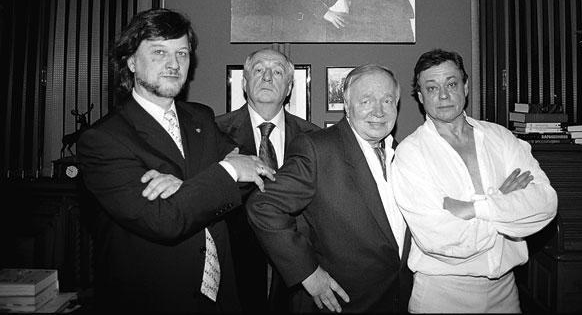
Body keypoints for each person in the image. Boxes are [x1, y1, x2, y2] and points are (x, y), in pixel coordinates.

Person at [76, 8, 275, 313]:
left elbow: (252, 175)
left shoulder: (201, 118)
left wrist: (186, 188)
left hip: (221, 298)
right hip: (151, 300)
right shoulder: (103, 140)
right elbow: (164, 220)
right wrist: (227, 170)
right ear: (131, 61)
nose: (174, 64)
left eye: (182, 53)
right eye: (159, 52)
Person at [391, 49, 558, 313]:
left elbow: (545, 204)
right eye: (432, 88)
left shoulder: (501, 138)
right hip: (442, 295)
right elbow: (439, 239)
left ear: (466, 87)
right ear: (421, 97)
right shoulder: (410, 154)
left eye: (451, 84)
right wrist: (504, 203)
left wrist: (474, 208)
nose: (443, 95)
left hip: (506, 292)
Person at [247, 64, 413, 313]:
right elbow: (262, 205)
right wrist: (307, 273)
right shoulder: (318, 149)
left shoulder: (405, 154)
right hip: (343, 304)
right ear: (346, 105)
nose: (378, 111)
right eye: (366, 101)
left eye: (387, 100)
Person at [216, 48, 320, 313]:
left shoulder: (315, 138)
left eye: (277, 72)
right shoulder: (214, 133)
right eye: (259, 69)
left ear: (289, 87)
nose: (267, 77)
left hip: (299, 276)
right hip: (234, 273)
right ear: (244, 82)